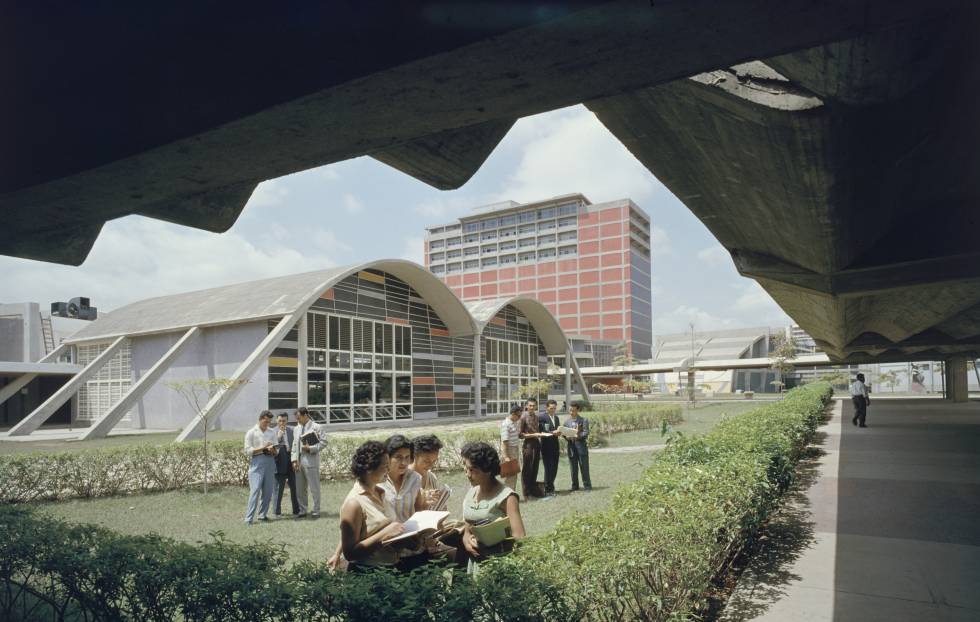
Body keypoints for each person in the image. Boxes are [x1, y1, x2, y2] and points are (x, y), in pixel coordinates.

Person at [335, 441, 405, 571]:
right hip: (367, 573)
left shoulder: (382, 493)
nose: (389, 470)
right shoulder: (354, 503)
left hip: (391, 569)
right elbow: (350, 553)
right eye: (385, 466)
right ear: (369, 469)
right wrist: (385, 534)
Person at [459, 441, 525, 574]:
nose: (468, 474)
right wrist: (466, 539)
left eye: (473, 470)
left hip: (498, 565)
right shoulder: (472, 492)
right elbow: (468, 526)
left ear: (487, 471)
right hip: (475, 563)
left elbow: (519, 536)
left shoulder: (507, 497)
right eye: (466, 468)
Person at [243, 411, 278, 525]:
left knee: (268, 491)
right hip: (257, 462)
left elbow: (276, 451)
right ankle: (248, 519)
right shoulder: (251, 432)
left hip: (270, 462)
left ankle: (262, 515)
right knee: (255, 490)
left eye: (269, 422)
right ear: (260, 419)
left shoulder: (272, 432)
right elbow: (248, 450)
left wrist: (273, 450)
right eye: (265, 421)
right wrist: (263, 447)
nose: (267, 424)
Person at [291, 407, 325, 518]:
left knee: (314, 488)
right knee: (300, 489)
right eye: (296, 418)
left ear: (305, 415)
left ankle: (316, 510)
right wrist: (294, 460)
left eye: (299, 418)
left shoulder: (317, 427)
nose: (298, 420)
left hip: (311, 461)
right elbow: (294, 445)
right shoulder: (296, 429)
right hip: (299, 462)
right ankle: (302, 510)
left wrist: (310, 448)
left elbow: (324, 442)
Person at [517, 397, 544, 500]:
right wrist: (533, 435)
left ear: (536, 406)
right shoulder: (523, 417)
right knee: (527, 469)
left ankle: (533, 491)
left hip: (537, 443)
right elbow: (520, 434)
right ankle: (526, 494)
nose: (532, 407)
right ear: (526, 406)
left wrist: (541, 434)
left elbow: (537, 430)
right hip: (528, 445)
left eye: (534, 406)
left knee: (535, 468)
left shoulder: (536, 417)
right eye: (530, 405)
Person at [273, 413, 299, 517]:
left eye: (284, 421)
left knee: (294, 487)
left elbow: (296, 445)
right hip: (279, 462)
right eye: (280, 421)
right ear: (276, 421)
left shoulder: (292, 430)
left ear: (287, 421)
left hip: (291, 461)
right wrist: (278, 437)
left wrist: (295, 460)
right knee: (278, 489)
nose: (282, 423)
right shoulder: (272, 432)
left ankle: (296, 511)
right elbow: (272, 447)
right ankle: (277, 512)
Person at [409, 434, 445, 507]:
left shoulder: (431, 478)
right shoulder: (402, 479)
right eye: (426, 461)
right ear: (415, 456)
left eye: (434, 461)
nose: (431, 465)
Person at [564, 402, 592, 491]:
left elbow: (586, 432)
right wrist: (566, 436)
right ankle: (575, 486)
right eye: (570, 410)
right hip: (571, 448)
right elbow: (564, 434)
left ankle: (587, 486)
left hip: (581, 448)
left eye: (573, 410)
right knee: (573, 468)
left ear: (578, 410)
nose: (571, 412)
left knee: (584, 467)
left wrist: (577, 436)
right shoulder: (566, 422)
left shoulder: (583, 420)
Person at [538, 399, 562, 494]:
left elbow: (558, 429)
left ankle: (551, 487)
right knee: (549, 468)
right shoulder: (542, 417)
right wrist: (553, 432)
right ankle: (548, 489)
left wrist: (560, 432)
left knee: (555, 468)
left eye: (554, 408)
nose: (553, 410)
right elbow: (542, 430)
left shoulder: (556, 418)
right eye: (551, 408)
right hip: (546, 446)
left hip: (555, 446)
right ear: (546, 407)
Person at [499, 406, 522, 491]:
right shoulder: (506, 424)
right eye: (518, 416)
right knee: (509, 476)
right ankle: (507, 495)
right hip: (509, 451)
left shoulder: (514, 422)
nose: (519, 418)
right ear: (513, 414)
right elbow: (504, 442)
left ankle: (512, 493)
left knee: (514, 474)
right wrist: (506, 457)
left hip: (514, 450)